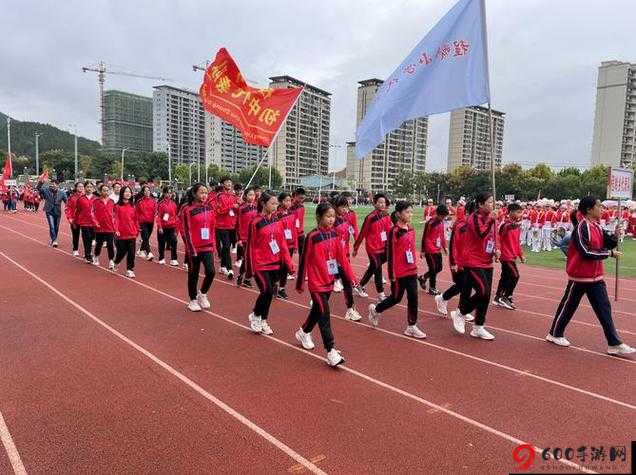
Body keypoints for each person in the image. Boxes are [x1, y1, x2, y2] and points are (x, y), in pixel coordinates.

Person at [547, 196, 635, 355]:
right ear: (589, 209)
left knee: (604, 308)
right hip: (580, 276)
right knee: (569, 306)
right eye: (599, 206)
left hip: (596, 277)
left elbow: (607, 242)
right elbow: (585, 251)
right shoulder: (582, 227)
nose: (602, 209)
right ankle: (554, 333)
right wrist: (609, 253)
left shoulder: (596, 226)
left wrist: (615, 236)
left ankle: (614, 343)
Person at [295, 202, 357, 366]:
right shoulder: (312, 237)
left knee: (317, 311)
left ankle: (304, 331)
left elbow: (342, 258)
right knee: (324, 315)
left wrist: (352, 277)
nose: (331, 219)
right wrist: (300, 283)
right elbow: (304, 260)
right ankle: (330, 351)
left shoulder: (335, 235)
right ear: (319, 217)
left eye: (333, 216)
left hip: (329, 281)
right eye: (328, 216)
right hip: (316, 284)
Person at [368, 201, 427, 339]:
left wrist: (415, 265)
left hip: (411, 270)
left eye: (411, 212)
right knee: (396, 298)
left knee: (413, 297)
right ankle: (376, 310)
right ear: (398, 214)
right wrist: (391, 274)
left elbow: (411, 249)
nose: (410, 214)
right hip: (399, 272)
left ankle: (411, 326)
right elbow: (391, 254)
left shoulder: (411, 228)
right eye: (407, 212)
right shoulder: (394, 232)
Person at [451, 191, 500, 340]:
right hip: (473, 261)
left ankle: (478, 327)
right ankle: (461, 313)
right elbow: (481, 233)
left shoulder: (492, 218)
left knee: (485, 296)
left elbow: (493, 236)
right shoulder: (474, 218)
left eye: (493, 202)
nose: (493, 205)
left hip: (487, 261)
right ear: (480, 204)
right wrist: (491, 220)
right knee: (483, 292)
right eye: (490, 202)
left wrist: (497, 249)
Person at [245, 192, 295, 335]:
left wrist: (289, 263)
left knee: (270, 293)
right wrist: (250, 268)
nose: (275, 206)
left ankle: (264, 320)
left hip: (275, 263)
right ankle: (255, 315)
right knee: (265, 291)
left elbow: (282, 244)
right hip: (260, 264)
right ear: (263, 204)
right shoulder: (255, 222)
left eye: (276, 203)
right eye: (272, 203)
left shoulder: (277, 220)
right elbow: (250, 246)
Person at [434, 201, 475, 319]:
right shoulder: (461, 225)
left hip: (471, 261)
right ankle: (444, 299)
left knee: (466, 286)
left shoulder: (475, 225)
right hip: (459, 261)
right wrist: (453, 262)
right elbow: (453, 244)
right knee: (462, 285)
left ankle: (460, 308)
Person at [181, 183, 216, 312]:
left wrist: (213, 245)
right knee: (193, 274)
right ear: (194, 193)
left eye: (206, 192)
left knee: (211, 272)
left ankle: (203, 293)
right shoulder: (187, 209)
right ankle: (193, 299)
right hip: (194, 248)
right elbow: (185, 231)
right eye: (201, 192)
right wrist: (191, 248)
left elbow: (212, 227)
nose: (204, 195)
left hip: (207, 246)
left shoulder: (209, 208)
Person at [353, 193, 393, 301]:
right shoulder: (370, 217)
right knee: (378, 268)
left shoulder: (386, 216)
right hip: (372, 248)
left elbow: (389, 231)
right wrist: (356, 247)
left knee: (373, 267)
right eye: (379, 202)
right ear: (375, 203)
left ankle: (359, 286)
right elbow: (362, 233)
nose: (382, 204)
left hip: (383, 247)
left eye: (383, 202)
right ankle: (381, 295)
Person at [332, 195, 362, 321]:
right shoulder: (332, 222)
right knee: (328, 283)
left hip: (343, 256)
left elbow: (347, 235)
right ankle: (316, 301)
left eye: (346, 207)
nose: (345, 209)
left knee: (347, 283)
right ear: (335, 207)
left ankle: (350, 310)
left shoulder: (344, 220)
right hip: (333, 258)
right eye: (342, 207)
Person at [493, 203, 525, 309]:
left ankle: (498, 297)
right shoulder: (505, 224)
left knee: (505, 276)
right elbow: (508, 227)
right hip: (506, 256)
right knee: (515, 275)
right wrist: (516, 224)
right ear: (510, 212)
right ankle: (506, 296)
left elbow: (517, 242)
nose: (520, 214)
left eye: (520, 212)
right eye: (518, 212)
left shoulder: (517, 226)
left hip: (512, 255)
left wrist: (521, 255)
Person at [418, 204, 449, 295]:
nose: (443, 218)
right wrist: (423, 250)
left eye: (444, 216)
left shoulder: (441, 222)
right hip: (429, 249)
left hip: (437, 249)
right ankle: (432, 288)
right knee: (433, 268)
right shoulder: (430, 223)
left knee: (439, 268)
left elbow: (442, 235)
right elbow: (425, 236)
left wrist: (445, 247)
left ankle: (423, 277)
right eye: (442, 216)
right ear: (438, 214)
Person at [113, 185, 139, 278]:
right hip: (121, 233)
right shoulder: (117, 206)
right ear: (122, 193)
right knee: (121, 252)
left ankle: (130, 269)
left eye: (129, 192)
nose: (128, 194)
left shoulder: (133, 206)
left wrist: (137, 230)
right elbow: (116, 219)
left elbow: (135, 220)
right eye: (126, 192)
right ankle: (116, 261)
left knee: (131, 253)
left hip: (132, 233)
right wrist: (116, 230)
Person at [215, 176, 238, 279]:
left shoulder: (234, 197)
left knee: (226, 247)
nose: (229, 184)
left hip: (231, 226)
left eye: (230, 182)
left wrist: (238, 206)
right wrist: (231, 207)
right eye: (227, 182)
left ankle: (222, 266)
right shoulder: (219, 196)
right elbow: (219, 211)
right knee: (226, 245)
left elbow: (237, 211)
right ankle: (230, 269)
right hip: (221, 226)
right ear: (223, 184)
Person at [275, 192, 297, 299]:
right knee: (278, 266)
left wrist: (295, 243)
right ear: (280, 201)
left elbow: (294, 229)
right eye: (286, 200)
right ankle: (275, 283)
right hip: (280, 245)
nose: (288, 203)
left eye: (290, 200)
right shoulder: (276, 214)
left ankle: (281, 288)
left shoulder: (292, 213)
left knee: (285, 267)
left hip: (290, 245)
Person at [235, 187, 258, 288]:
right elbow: (238, 224)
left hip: (255, 237)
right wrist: (239, 239)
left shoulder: (256, 208)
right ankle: (243, 276)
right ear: (245, 196)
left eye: (253, 195)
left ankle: (246, 278)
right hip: (244, 237)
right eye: (250, 195)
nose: (252, 197)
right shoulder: (241, 208)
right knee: (247, 258)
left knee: (251, 259)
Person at [36, 176, 67, 247]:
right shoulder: (46, 190)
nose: (53, 185)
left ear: (57, 185)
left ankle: (53, 238)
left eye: (54, 184)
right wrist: (41, 182)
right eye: (52, 184)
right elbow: (38, 188)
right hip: (49, 211)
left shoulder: (62, 193)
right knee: (52, 226)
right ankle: (54, 240)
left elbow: (67, 202)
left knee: (56, 227)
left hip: (57, 212)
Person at [92, 183, 116, 269]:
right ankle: (96, 256)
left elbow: (115, 214)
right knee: (99, 243)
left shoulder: (112, 202)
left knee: (110, 244)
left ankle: (111, 261)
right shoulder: (96, 201)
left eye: (107, 190)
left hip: (110, 227)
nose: (106, 192)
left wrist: (114, 223)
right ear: (100, 191)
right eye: (104, 190)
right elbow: (92, 213)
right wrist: (95, 222)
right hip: (99, 227)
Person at [74, 181, 97, 264]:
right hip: (84, 222)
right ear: (85, 188)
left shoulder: (96, 199)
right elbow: (78, 211)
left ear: (93, 188)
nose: (89, 188)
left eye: (91, 187)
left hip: (94, 223)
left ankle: (88, 252)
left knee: (91, 238)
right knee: (86, 238)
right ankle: (88, 255)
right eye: (87, 187)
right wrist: (75, 222)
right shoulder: (81, 199)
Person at [156, 187, 179, 266]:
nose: (169, 195)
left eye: (170, 193)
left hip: (171, 226)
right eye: (167, 193)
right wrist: (160, 227)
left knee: (174, 242)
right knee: (162, 243)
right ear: (164, 193)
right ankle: (161, 258)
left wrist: (176, 229)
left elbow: (175, 216)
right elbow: (158, 216)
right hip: (163, 227)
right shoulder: (161, 204)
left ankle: (174, 258)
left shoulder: (174, 204)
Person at [135, 184, 157, 260]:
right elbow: (136, 213)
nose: (147, 192)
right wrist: (137, 224)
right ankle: (149, 253)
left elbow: (155, 211)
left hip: (150, 222)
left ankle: (140, 250)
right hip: (142, 222)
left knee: (146, 238)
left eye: (148, 190)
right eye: (145, 191)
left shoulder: (153, 201)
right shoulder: (139, 202)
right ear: (143, 192)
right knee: (146, 237)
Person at [65, 182, 83, 256]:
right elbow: (67, 208)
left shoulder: (85, 197)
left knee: (86, 236)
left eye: (82, 186)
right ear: (76, 188)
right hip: (75, 220)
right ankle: (75, 249)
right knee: (76, 235)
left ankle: (87, 251)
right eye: (79, 186)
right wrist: (70, 218)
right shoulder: (72, 197)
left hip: (85, 220)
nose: (81, 188)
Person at [289, 187, 306, 260]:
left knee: (302, 256)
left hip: (300, 234)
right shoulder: (289, 207)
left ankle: (301, 271)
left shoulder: (302, 207)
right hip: (291, 235)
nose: (301, 200)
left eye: (303, 198)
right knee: (289, 254)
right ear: (295, 196)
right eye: (300, 198)